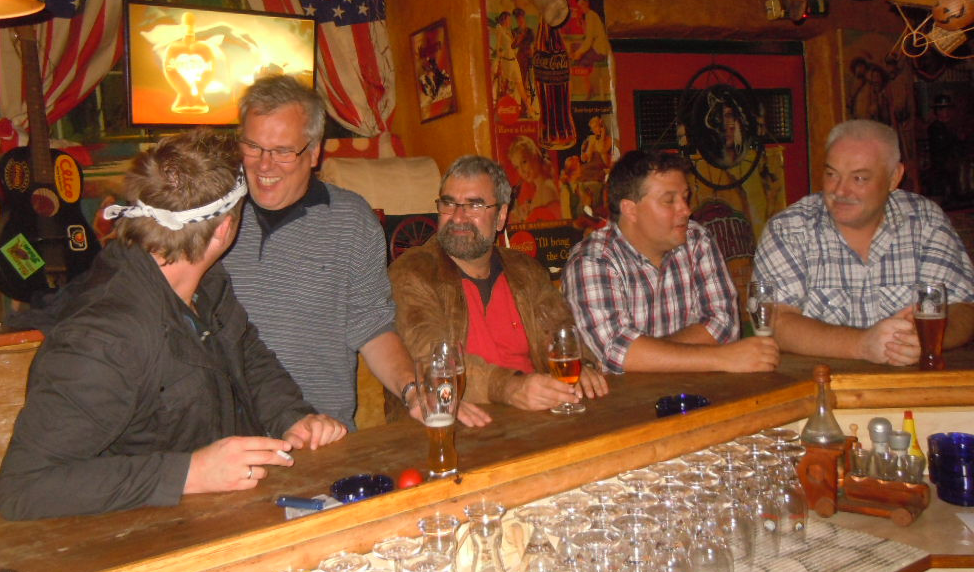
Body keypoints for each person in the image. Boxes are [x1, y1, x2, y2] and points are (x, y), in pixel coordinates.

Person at [0, 130, 346, 520]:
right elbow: (22, 489)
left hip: (228, 511)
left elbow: (247, 356)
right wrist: (189, 473)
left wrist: (291, 416)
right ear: (224, 229)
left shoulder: (206, 283)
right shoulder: (103, 338)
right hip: (147, 536)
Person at [223, 76, 482, 430]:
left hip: (319, 434)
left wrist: (414, 391)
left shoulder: (351, 220)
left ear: (314, 152)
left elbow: (371, 326)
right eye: (253, 147)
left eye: (283, 151)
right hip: (222, 439)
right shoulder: (211, 217)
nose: (264, 166)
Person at [389, 155, 608, 413]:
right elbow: (431, 360)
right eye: (448, 204)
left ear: (501, 215)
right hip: (450, 420)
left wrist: (584, 367)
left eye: (474, 205)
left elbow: (562, 331)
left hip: (536, 416)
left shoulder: (525, 270)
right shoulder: (412, 272)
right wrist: (509, 387)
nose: (457, 217)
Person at [753, 119, 974, 365]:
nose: (840, 191)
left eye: (859, 178)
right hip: (820, 383)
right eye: (831, 174)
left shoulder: (925, 222)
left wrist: (927, 341)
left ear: (893, 177)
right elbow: (775, 322)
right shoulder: (789, 229)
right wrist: (862, 345)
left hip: (912, 384)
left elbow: (963, 308)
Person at [563, 149, 779, 374]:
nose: (686, 210)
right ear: (630, 210)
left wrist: (653, 354)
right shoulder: (593, 260)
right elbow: (618, 352)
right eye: (669, 201)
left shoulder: (696, 239)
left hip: (694, 387)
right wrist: (722, 358)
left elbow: (724, 324)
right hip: (627, 395)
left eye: (685, 197)